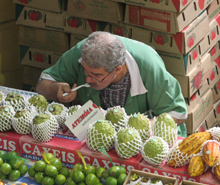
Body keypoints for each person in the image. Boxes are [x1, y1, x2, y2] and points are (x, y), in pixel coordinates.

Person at [36, 31, 188, 136]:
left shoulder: (149, 66)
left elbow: (178, 113)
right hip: (96, 135)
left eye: (97, 76)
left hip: (146, 140)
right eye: (85, 73)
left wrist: (142, 127)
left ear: (117, 69)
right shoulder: (82, 52)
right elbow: (43, 84)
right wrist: (56, 89)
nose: (88, 80)